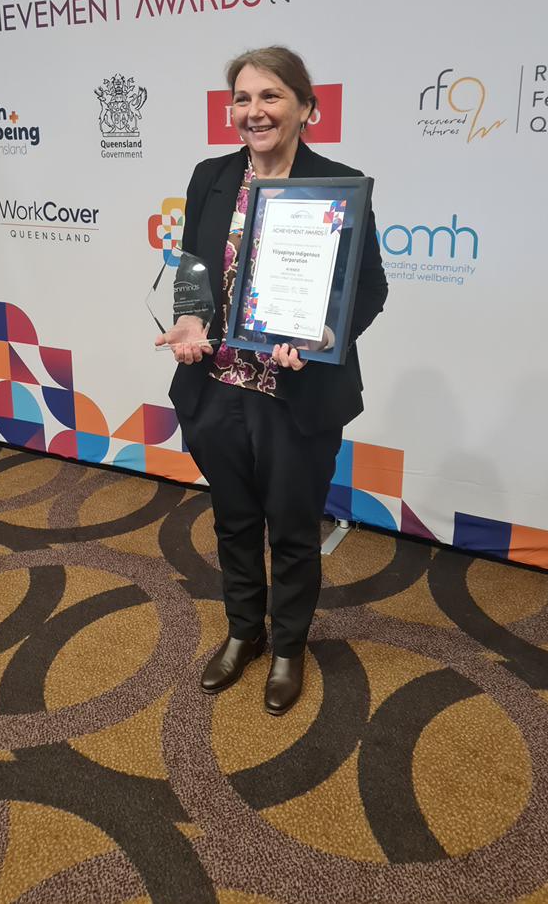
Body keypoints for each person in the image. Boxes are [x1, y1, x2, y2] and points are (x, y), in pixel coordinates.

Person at [155, 47, 387, 715]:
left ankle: (288, 646)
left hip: (295, 394)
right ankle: (242, 633)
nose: (254, 111)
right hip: (216, 387)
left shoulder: (340, 185)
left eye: (271, 96)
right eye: (243, 98)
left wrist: (323, 341)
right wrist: (189, 322)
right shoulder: (211, 176)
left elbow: (367, 289)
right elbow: (195, 270)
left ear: (306, 108)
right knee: (233, 521)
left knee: (290, 528)